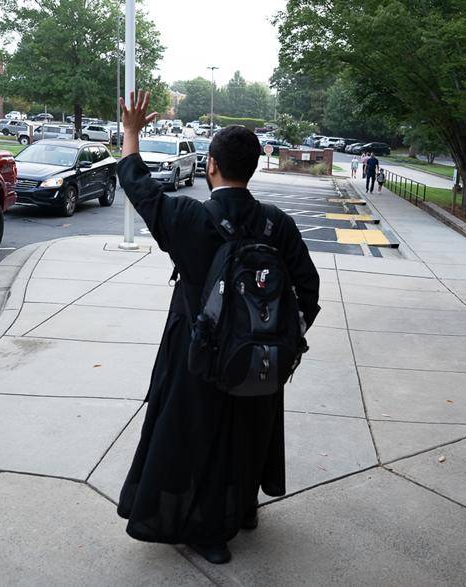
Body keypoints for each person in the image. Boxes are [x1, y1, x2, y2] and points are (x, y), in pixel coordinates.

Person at [115, 90, 321, 565]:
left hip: (199, 356)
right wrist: (280, 340)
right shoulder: (278, 224)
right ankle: (242, 507)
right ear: (252, 168)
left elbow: (141, 188)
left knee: (197, 437)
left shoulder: (190, 218)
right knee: (247, 434)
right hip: (259, 357)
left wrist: (131, 134)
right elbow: (308, 289)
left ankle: (208, 530)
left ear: (211, 166)